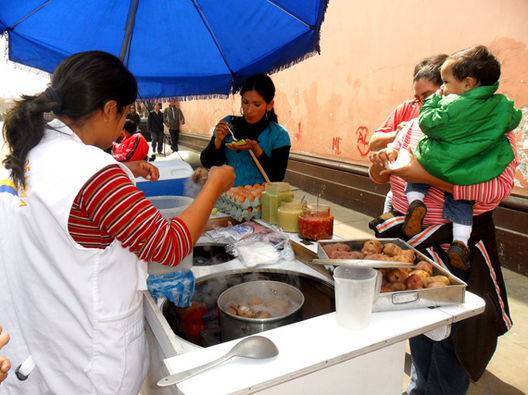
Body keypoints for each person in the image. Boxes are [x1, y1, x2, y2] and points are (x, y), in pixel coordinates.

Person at [0, 50, 235, 393]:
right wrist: (213, 186)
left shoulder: (26, 156)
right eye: (125, 113)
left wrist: (124, 170)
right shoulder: (93, 170)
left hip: (37, 348)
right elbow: (168, 246)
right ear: (110, 108)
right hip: (85, 364)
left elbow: (65, 205)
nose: (123, 126)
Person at [368, 117, 517, 394]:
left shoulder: (492, 133)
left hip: (458, 250)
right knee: (419, 327)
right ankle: (419, 387)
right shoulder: (414, 127)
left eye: (438, 90)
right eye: (421, 98)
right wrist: (382, 166)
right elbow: (380, 175)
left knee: (454, 336)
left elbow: (493, 192)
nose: (427, 104)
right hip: (415, 245)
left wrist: (422, 177)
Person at [402, 45, 521, 270]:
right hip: (471, 170)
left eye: (445, 83)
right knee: (462, 201)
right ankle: (460, 242)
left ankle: (416, 201)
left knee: (417, 169)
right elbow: (513, 118)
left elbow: (427, 122)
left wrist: (433, 102)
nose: (442, 89)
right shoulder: (500, 105)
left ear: (468, 83)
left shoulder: (447, 106)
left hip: (438, 163)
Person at [369, 54, 447, 212]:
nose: (421, 104)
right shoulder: (409, 113)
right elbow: (377, 169)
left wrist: (419, 176)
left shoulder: (465, 129)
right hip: (399, 204)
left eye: (427, 96)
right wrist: (393, 142)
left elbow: (481, 192)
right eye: (418, 98)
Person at [200, 74, 291, 187]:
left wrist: (256, 149)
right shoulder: (229, 124)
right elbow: (207, 162)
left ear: (269, 105)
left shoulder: (279, 135)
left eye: (257, 104)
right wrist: (218, 141)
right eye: (245, 102)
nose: (248, 110)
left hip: (262, 200)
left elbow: (277, 177)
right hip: (230, 197)